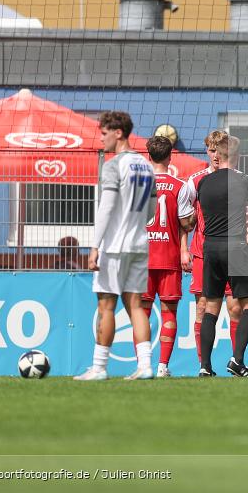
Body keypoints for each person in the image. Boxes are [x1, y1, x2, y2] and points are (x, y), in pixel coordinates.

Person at [75, 111, 156, 381]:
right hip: (140, 244)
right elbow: (152, 210)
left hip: (114, 246)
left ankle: (98, 368)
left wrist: (95, 246)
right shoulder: (146, 165)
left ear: (118, 133)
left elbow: (106, 208)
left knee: (106, 306)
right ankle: (145, 366)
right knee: (135, 305)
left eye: (104, 133)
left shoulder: (112, 166)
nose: (101, 139)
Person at [195, 134, 248, 377]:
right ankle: (237, 359)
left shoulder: (203, 183)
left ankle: (205, 367)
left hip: (210, 248)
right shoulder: (245, 180)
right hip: (235, 246)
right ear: (235, 156)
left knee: (211, 307)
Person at [181, 130, 240, 369]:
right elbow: (183, 218)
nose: (215, 155)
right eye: (212, 150)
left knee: (234, 307)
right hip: (202, 254)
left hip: (233, 253)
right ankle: (203, 365)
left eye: (220, 150)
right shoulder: (195, 181)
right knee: (203, 307)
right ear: (207, 151)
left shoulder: (237, 178)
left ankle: (238, 361)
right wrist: (184, 249)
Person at [143, 136, 196, 378]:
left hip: (140, 259)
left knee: (141, 313)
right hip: (169, 258)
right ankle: (162, 366)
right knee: (169, 312)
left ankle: (143, 365)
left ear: (148, 156)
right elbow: (186, 223)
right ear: (170, 157)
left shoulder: (137, 185)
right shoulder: (180, 185)